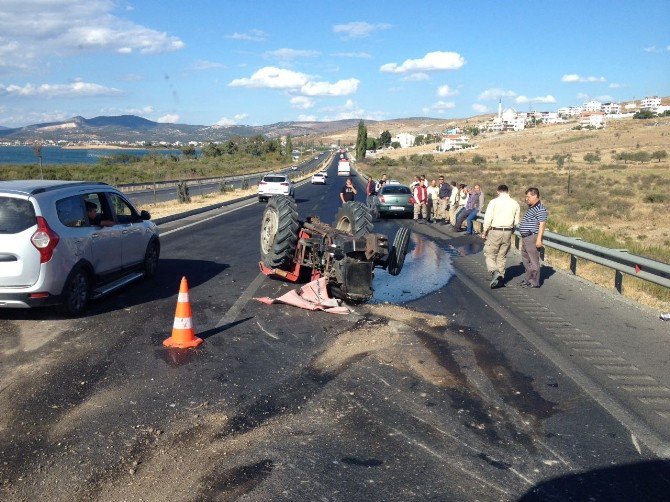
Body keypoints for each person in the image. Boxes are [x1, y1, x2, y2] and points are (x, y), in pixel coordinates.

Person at [482, 184, 521, 289]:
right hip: (508, 231)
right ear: (508, 191)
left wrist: (485, 231)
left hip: (495, 231)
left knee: (489, 253)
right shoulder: (515, 203)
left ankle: (495, 272)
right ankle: (501, 278)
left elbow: (488, 218)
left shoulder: (494, 202)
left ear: (498, 192)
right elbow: (516, 221)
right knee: (501, 256)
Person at [518, 187, 548, 288]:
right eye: (526, 196)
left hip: (532, 237)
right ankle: (528, 279)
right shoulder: (531, 207)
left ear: (535, 196)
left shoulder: (540, 209)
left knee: (533, 261)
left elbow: (542, 224)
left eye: (528, 196)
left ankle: (534, 282)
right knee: (526, 260)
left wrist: (539, 239)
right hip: (526, 237)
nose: (527, 198)